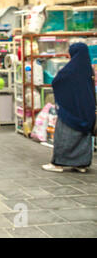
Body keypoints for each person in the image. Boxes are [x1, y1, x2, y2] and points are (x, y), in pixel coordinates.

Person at [42, 42, 95, 173]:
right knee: (83, 137)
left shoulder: (70, 69)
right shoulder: (88, 69)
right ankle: (81, 164)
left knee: (64, 137)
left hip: (70, 111)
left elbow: (56, 82)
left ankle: (58, 163)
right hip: (86, 110)